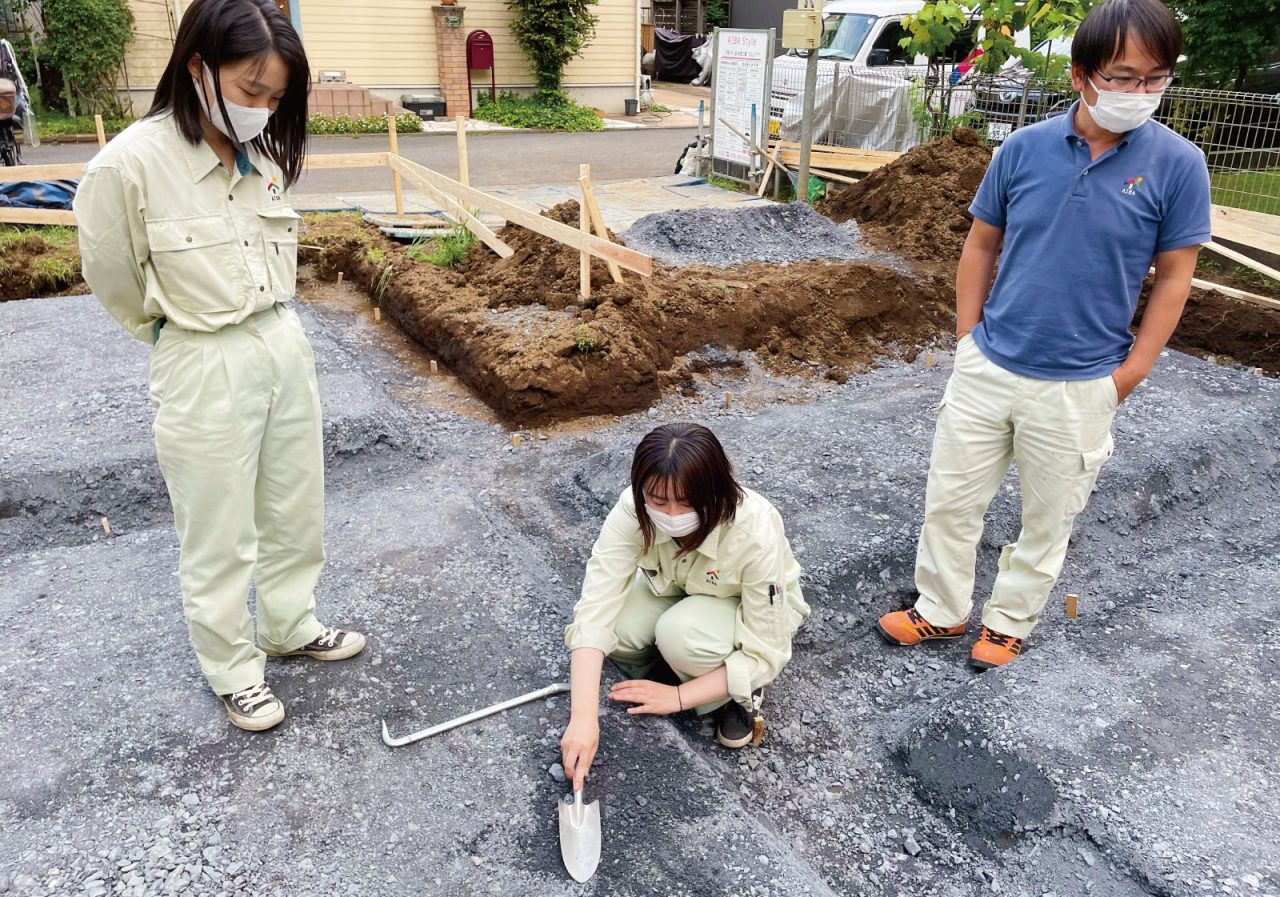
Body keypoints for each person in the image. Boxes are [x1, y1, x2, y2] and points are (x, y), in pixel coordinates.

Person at [878, 0, 1210, 670]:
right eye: (1124, 76)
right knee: (950, 499)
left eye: (1156, 79)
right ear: (1082, 75)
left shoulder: (1179, 165)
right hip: (991, 363)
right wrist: (969, 337)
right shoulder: (1023, 150)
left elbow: (1175, 277)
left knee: (1047, 517)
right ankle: (941, 609)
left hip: (1082, 381)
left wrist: (1132, 371)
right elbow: (980, 246)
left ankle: (1008, 620)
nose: (1141, 92)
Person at [74, 0, 365, 731]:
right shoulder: (130, 165)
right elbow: (113, 278)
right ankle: (234, 668)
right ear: (197, 67)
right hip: (203, 354)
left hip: (281, 339)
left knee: (295, 505)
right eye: (251, 90)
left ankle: (289, 623)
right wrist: (179, 341)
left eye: (275, 98)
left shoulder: (258, 158)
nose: (263, 110)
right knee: (218, 528)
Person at [560, 423, 810, 792]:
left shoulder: (754, 531)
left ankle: (735, 694)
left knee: (680, 635)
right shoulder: (633, 509)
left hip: (738, 607)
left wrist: (676, 698)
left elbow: (767, 649)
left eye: (688, 501)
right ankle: (685, 669)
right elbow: (596, 603)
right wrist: (582, 718)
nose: (672, 514)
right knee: (621, 632)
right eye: (658, 501)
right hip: (676, 587)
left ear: (717, 490)